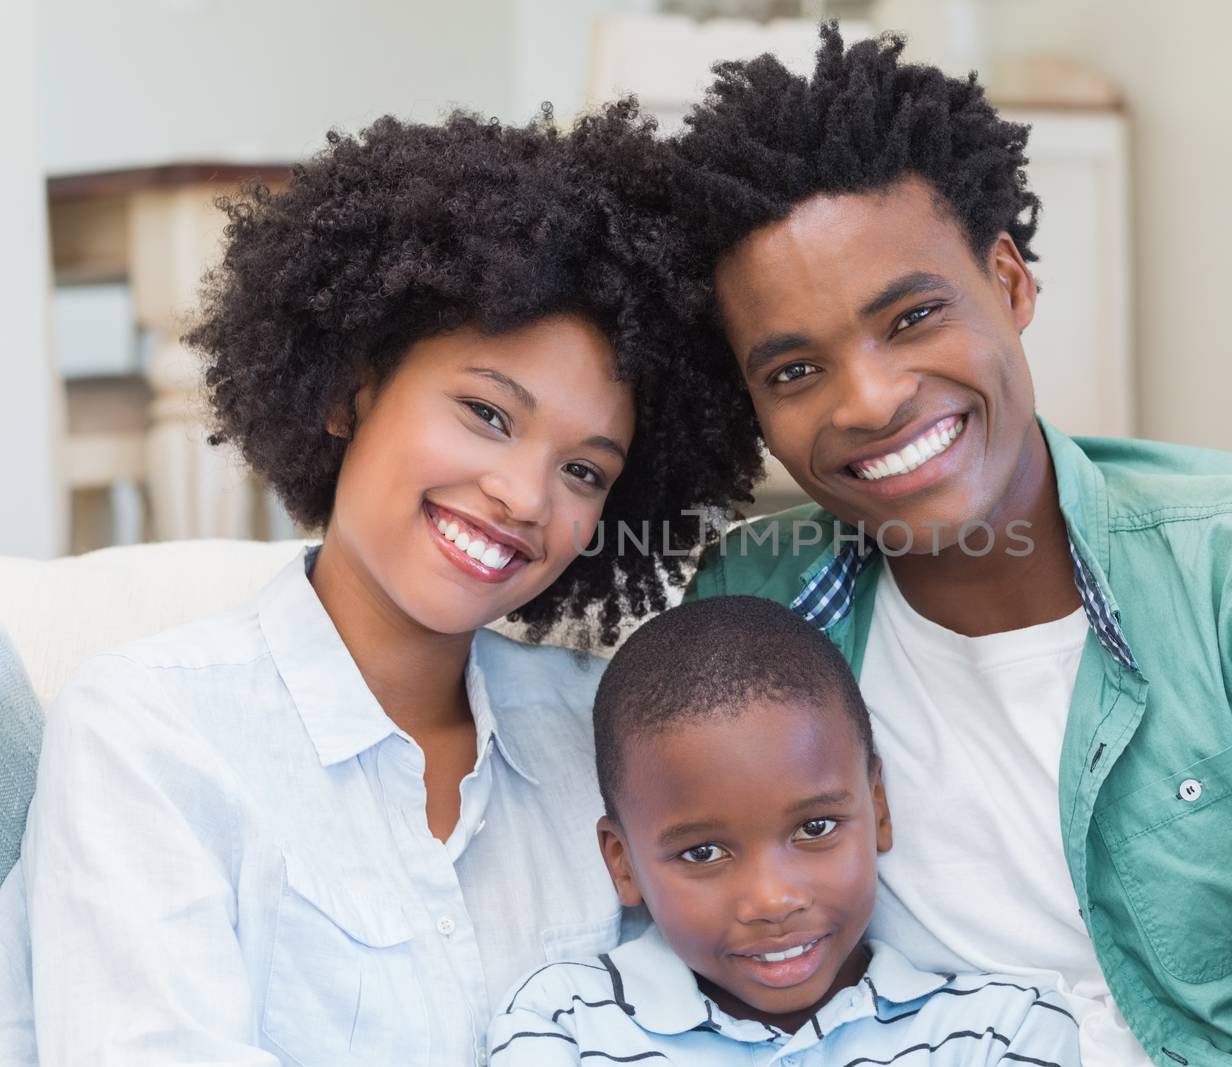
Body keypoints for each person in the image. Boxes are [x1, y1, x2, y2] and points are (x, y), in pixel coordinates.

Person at [670, 24, 1232, 1067]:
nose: (869, 399)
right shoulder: (755, 610)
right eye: (792, 371)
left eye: (914, 316)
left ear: (1008, 285)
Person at [0, 104, 762, 1066]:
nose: (523, 495)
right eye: (488, 412)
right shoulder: (150, 734)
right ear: (348, 390)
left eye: (584, 471)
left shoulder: (605, 742)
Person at [488, 595, 1082, 1066]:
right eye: (703, 852)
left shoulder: (999, 1031)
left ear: (877, 808)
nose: (773, 900)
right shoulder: (565, 1022)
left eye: (815, 827)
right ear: (622, 863)